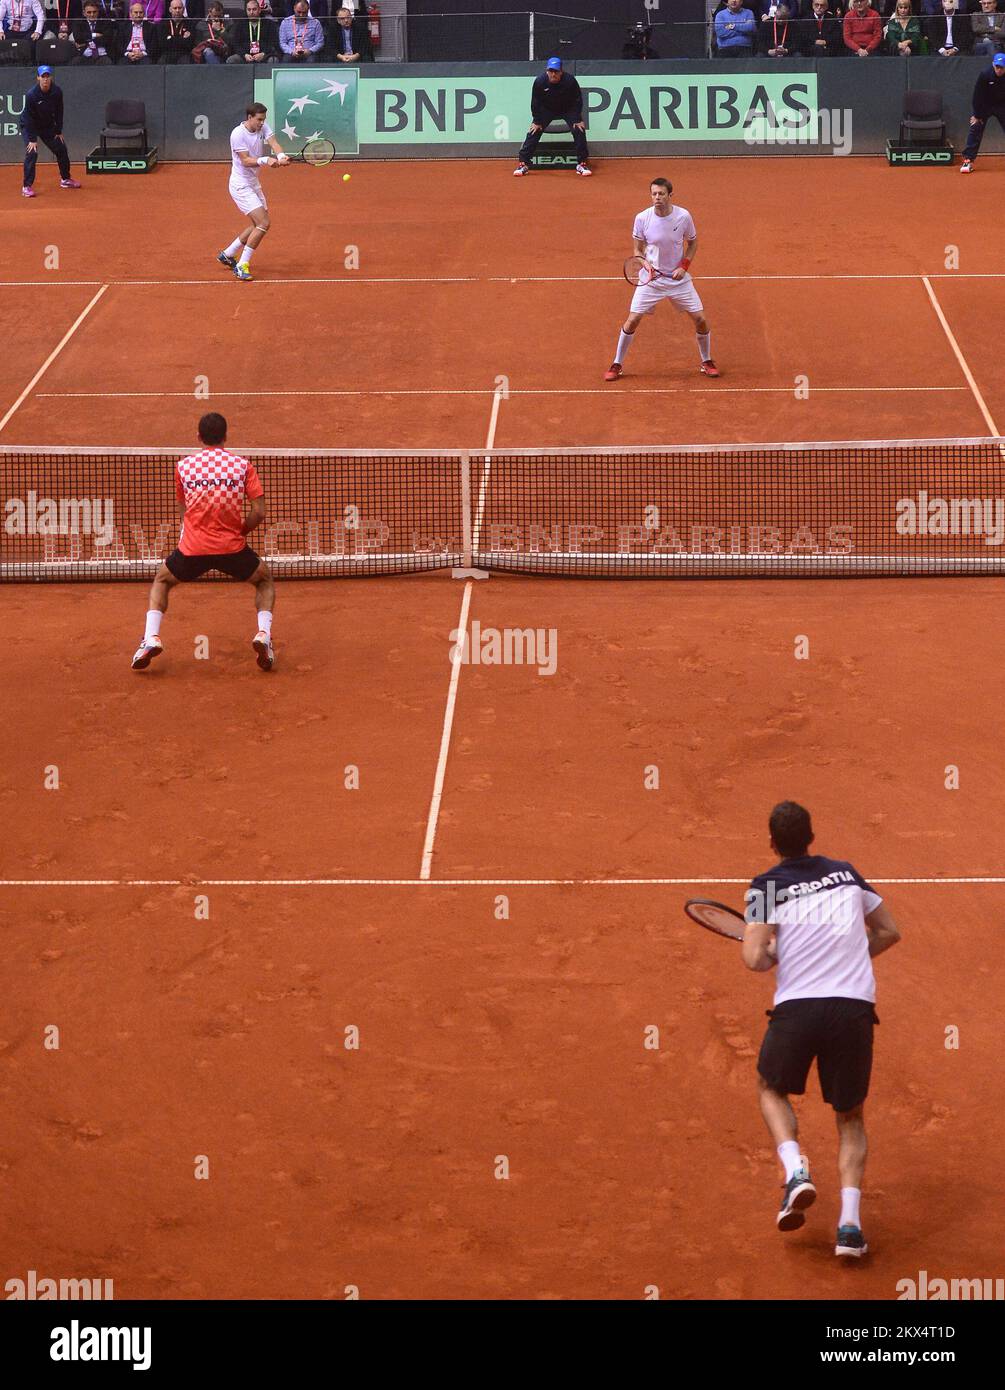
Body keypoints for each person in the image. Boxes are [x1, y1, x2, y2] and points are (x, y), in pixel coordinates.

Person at [743, 802, 900, 1259]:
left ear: (773, 843)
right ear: (812, 836)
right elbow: (889, 931)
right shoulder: (847, 874)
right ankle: (849, 1227)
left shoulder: (763, 887)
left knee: (770, 1088)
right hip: (852, 1011)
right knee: (850, 1116)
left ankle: (795, 1170)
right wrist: (846, 958)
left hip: (798, 1010)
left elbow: (755, 959)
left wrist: (776, 951)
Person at [131, 413, 277, 674]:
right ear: (225, 436)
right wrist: (240, 531)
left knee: (162, 581)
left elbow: (183, 510)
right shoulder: (243, 466)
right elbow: (259, 513)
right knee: (263, 580)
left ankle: (150, 638)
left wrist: (191, 537)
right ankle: (264, 633)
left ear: (199, 437)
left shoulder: (183, 467)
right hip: (232, 548)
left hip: (192, 549)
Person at [604, 177, 719, 383]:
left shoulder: (683, 217)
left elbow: (692, 243)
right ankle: (617, 364)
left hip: (678, 281)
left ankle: (707, 361)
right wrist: (645, 265)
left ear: (670, 195)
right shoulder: (642, 218)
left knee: (700, 319)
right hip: (651, 281)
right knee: (632, 321)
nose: (657, 198)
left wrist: (684, 267)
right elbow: (637, 249)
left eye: (661, 194)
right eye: (654, 194)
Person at [218, 100, 287, 280]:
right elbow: (245, 160)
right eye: (259, 120)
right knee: (264, 223)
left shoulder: (262, 126)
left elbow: (274, 142)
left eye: (264, 119)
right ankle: (242, 265)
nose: (262, 123)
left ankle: (228, 253)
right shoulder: (237, 134)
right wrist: (265, 160)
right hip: (240, 185)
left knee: (258, 224)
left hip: (253, 183)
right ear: (250, 118)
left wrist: (280, 155)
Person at [513, 57, 591, 178]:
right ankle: (523, 163)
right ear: (547, 71)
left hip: (568, 109)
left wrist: (577, 118)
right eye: (551, 71)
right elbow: (535, 102)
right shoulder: (540, 82)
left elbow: (577, 100)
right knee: (534, 130)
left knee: (579, 129)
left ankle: (582, 163)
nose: (553, 74)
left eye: (556, 71)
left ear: (561, 71)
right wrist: (537, 120)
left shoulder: (570, 81)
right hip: (547, 110)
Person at [20, 64, 79, 198]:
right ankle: (26, 186)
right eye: (43, 77)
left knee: (61, 148)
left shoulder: (57, 91)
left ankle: (65, 179)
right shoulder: (31, 95)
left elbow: (59, 111)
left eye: (48, 76)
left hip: (46, 126)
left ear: (51, 78)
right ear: (38, 78)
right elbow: (28, 118)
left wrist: (58, 130)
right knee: (32, 153)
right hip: (30, 125)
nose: (45, 79)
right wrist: (32, 140)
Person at [961, 49, 1005, 170]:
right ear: (993, 65)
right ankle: (968, 160)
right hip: (985, 105)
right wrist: (977, 115)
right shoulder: (985, 74)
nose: (999, 70)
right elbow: (977, 96)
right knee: (975, 127)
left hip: (1002, 106)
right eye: (997, 67)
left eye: (1001, 67)